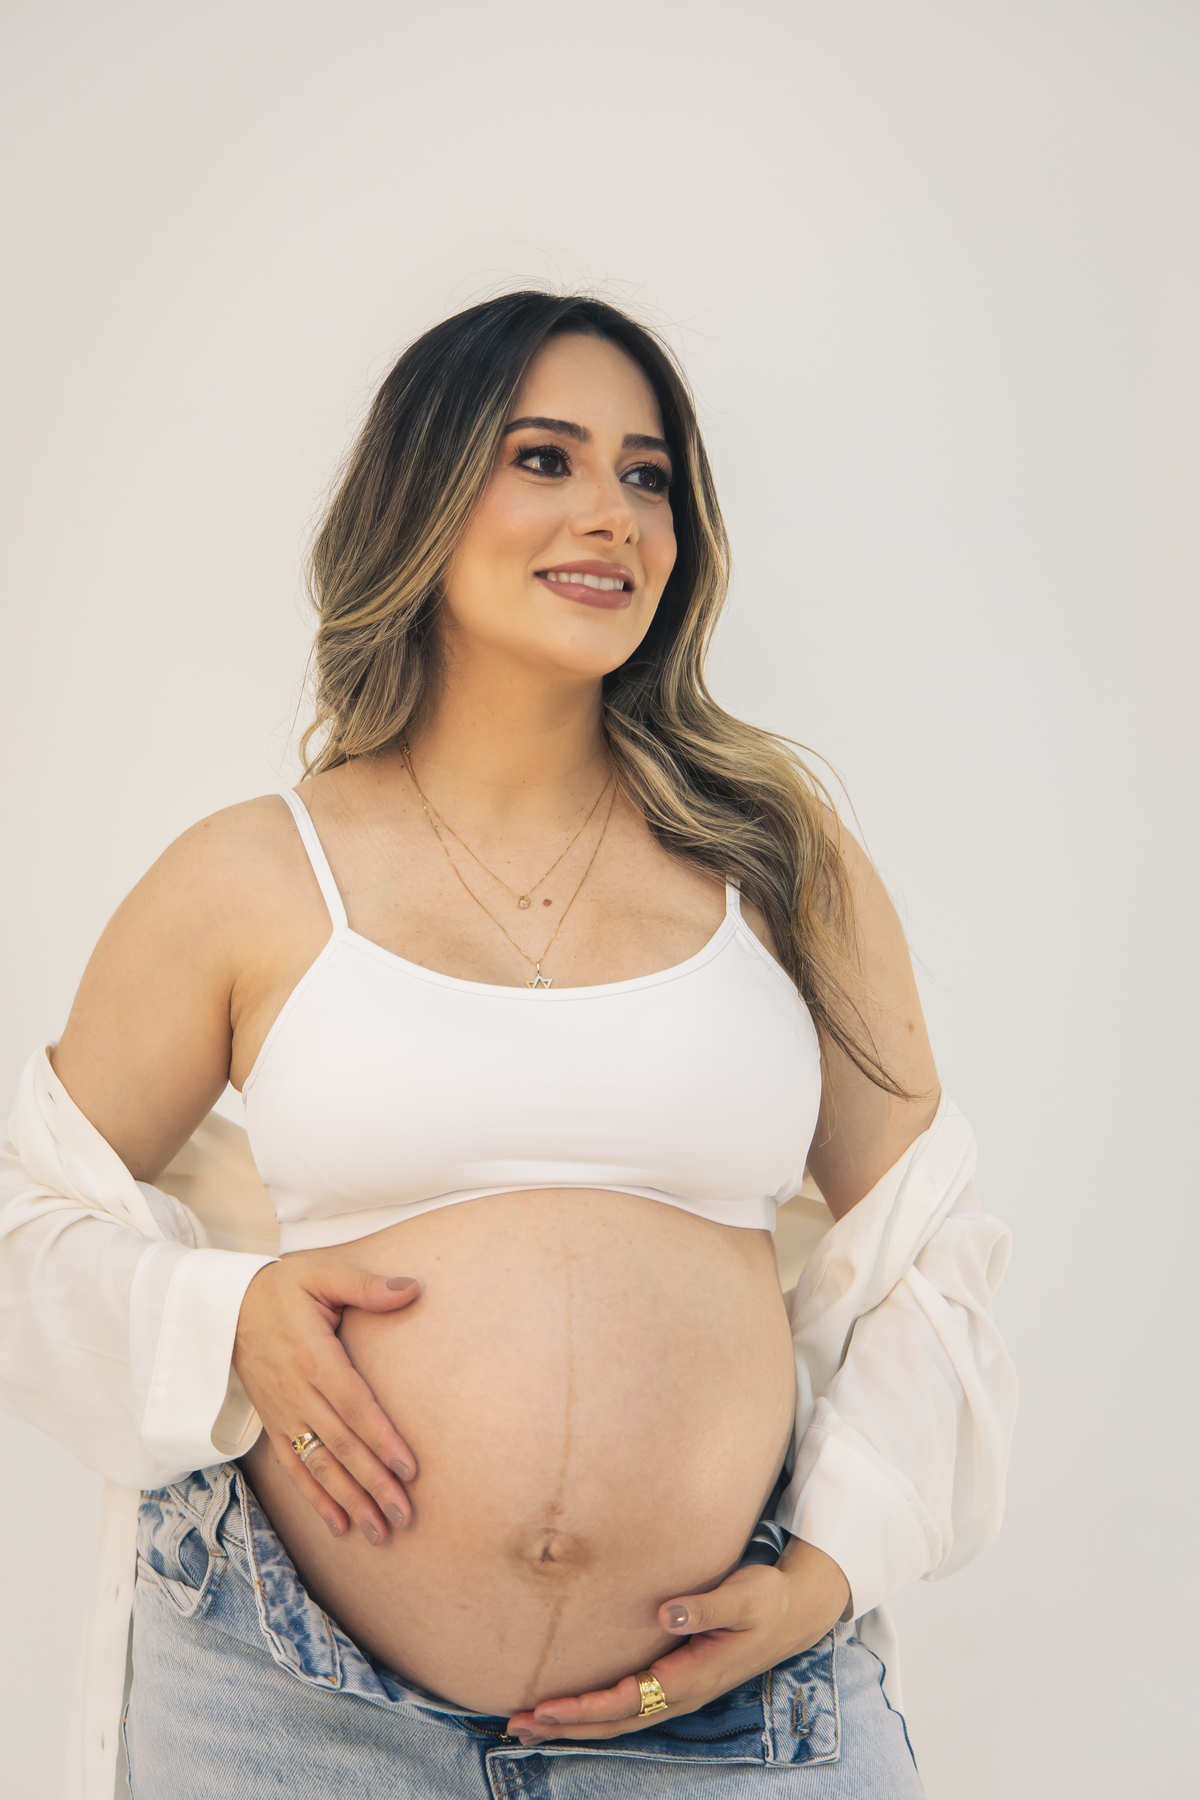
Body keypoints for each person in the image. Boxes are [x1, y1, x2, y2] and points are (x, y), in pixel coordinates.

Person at [0, 292, 1017, 1799]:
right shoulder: (252, 874)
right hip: (288, 1700)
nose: (613, 512)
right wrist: (226, 1320)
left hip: (733, 1712)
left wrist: (825, 1574)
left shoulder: (778, 861)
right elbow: (28, 1218)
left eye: (648, 475)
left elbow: (931, 1245)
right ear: (422, 493)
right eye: (545, 458)